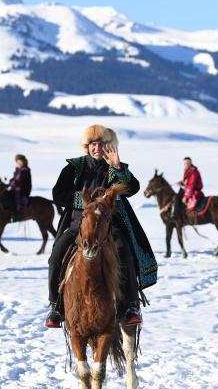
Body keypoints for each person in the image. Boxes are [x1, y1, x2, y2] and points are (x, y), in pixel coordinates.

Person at [45, 125, 157, 328]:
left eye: (101, 144)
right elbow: (58, 194)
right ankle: (56, 307)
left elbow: (133, 189)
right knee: (55, 257)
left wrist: (118, 168)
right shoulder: (74, 167)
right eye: (93, 144)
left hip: (109, 224)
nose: (97, 148)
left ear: (108, 146)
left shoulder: (114, 167)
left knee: (125, 252)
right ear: (87, 146)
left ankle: (131, 305)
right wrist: (88, 202)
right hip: (79, 223)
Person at [7, 154, 32, 221]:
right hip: (16, 188)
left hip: (23, 189)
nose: (18, 163)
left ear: (23, 161)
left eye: (20, 161)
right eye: (17, 162)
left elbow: (22, 181)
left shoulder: (25, 170)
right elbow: (14, 179)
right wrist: (9, 182)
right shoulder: (18, 170)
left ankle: (17, 214)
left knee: (16, 198)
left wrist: (13, 183)